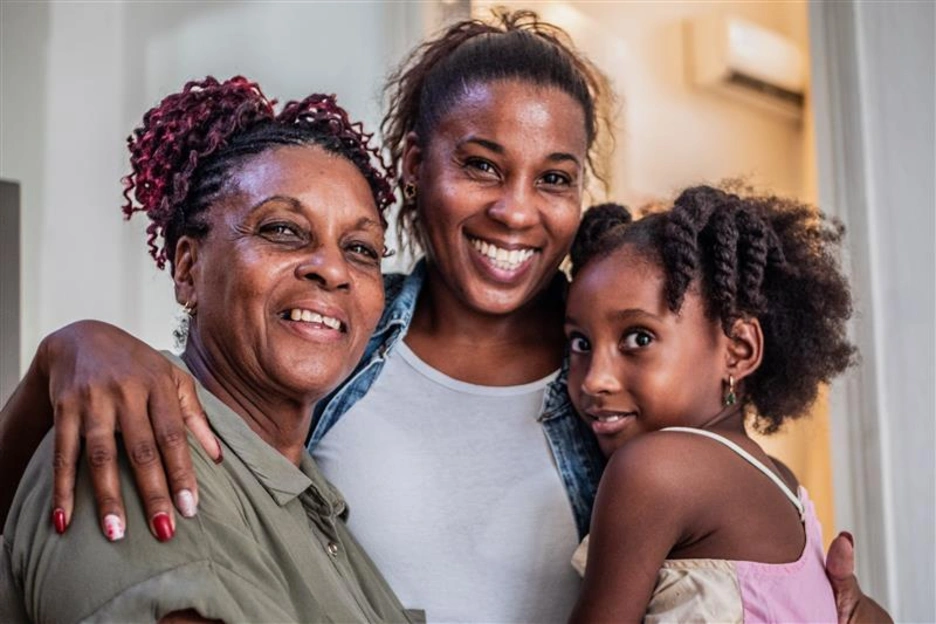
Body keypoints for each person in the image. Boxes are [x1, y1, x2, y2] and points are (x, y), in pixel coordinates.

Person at [0, 11, 888, 624]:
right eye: (481, 165)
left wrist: (840, 605)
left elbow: (736, 555)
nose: (516, 210)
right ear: (413, 168)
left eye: (554, 178)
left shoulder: (621, 382)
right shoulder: (335, 332)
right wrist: (70, 351)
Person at [0, 76, 419, 623]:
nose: (334, 269)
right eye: (283, 230)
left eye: (361, 249)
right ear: (187, 268)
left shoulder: (309, 499)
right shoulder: (137, 443)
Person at [563, 191, 863, 622]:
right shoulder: (783, 482)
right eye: (580, 343)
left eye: (639, 338)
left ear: (738, 350)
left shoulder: (653, 469)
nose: (594, 379)